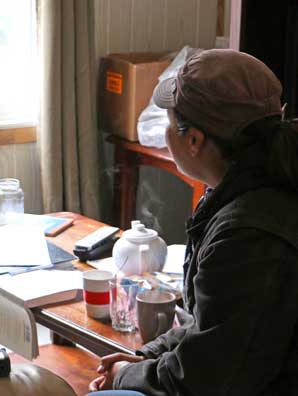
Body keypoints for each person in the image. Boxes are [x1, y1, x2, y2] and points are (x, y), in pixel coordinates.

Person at [90, 49, 298, 395]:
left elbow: (205, 378)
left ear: (194, 140)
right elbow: (210, 326)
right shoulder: (251, 189)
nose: (165, 132)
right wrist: (144, 358)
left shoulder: (248, 235)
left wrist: (128, 375)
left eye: (169, 123)